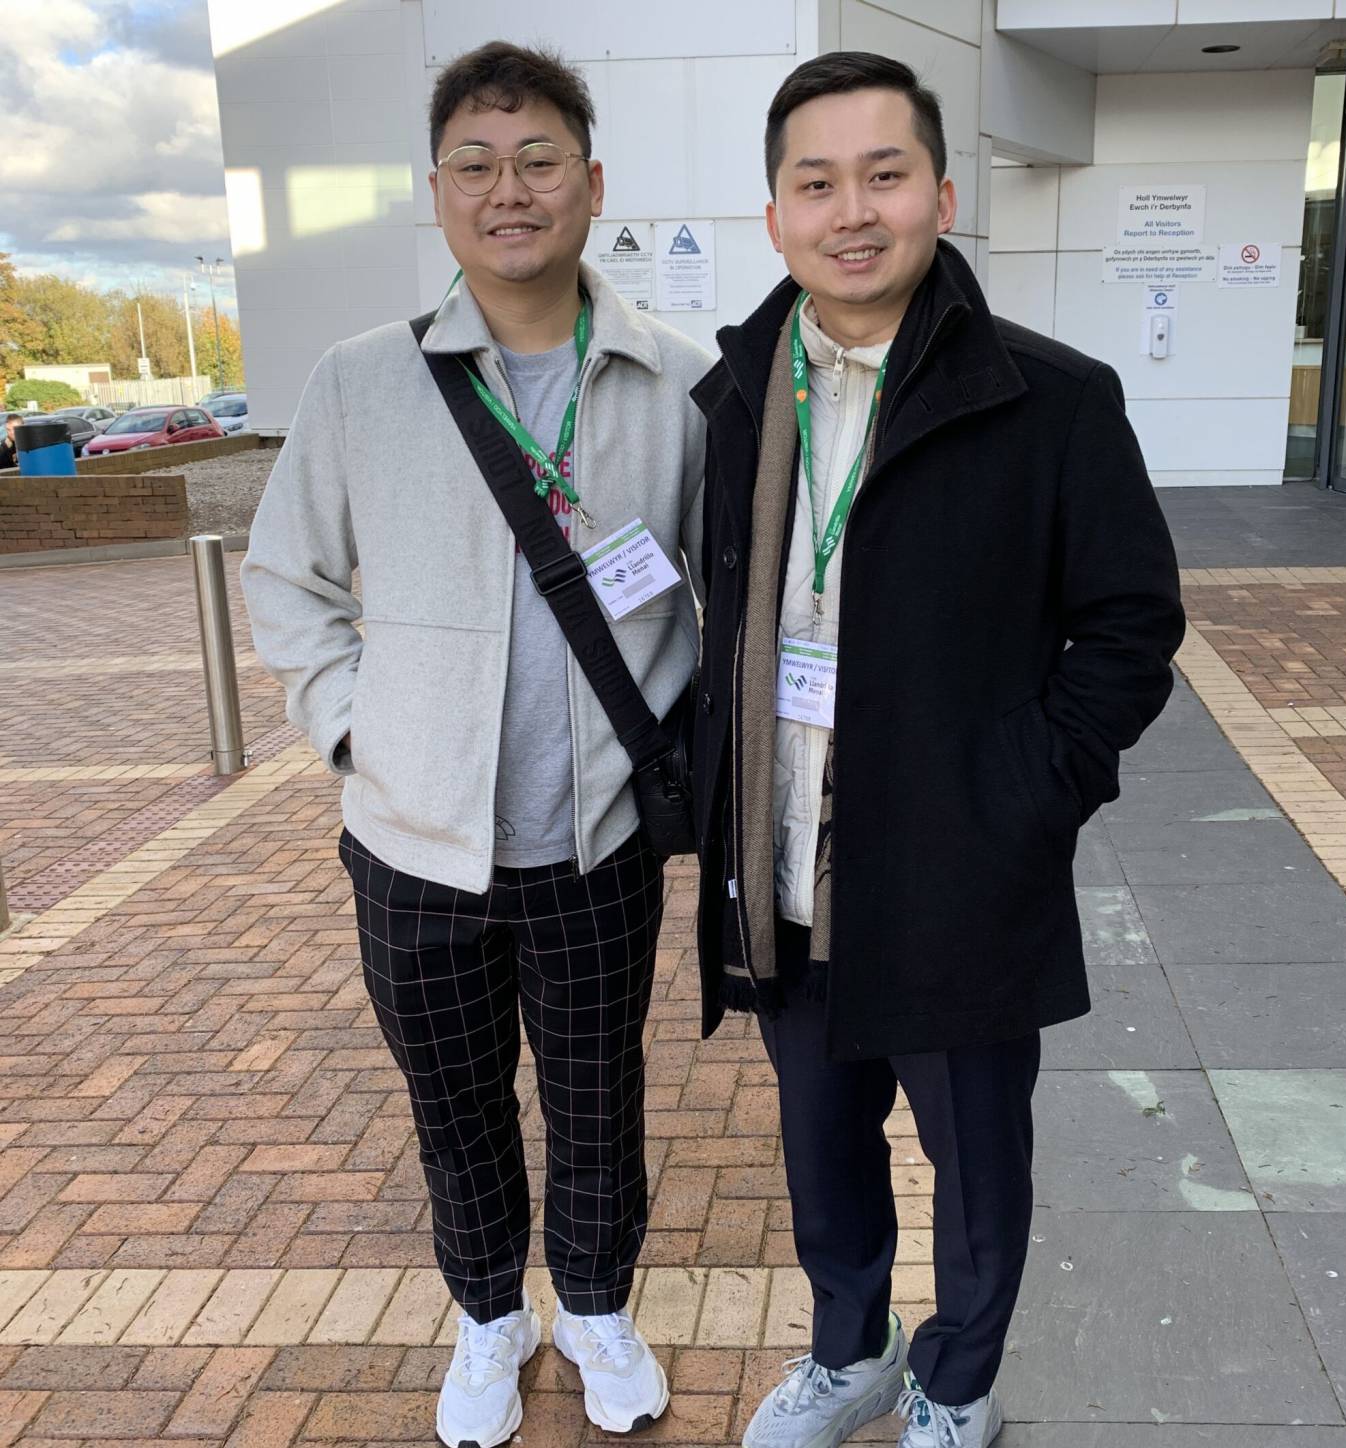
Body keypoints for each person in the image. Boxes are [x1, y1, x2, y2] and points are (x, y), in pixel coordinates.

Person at [688, 52, 1185, 1448]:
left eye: (885, 174)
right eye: (818, 182)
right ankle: (846, 1352)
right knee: (821, 1150)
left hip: (961, 869)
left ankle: (957, 1380)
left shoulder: (1050, 396)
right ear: (776, 214)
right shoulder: (736, 398)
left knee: (975, 1168)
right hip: (785, 862)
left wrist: (1029, 795)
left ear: (941, 194)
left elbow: (1131, 625)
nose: (854, 210)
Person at [241, 40, 711, 1448]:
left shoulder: (676, 384)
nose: (509, 190)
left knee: (596, 1101)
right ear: (438, 192)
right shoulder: (359, 383)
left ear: (592, 182)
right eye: (476, 164)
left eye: (539, 160)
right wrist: (351, 734)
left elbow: (720, 590)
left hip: (598, 845)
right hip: (410, 845)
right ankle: (489, 1328)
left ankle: (600, 1311)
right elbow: (289, 580)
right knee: (455, 1111)